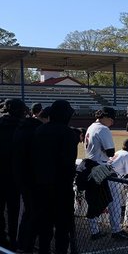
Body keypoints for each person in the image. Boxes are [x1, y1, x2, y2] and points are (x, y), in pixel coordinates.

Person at [33, 100, 80, 254]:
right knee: (62, 228)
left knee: (44, 227)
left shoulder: (39, 130)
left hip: (40, 185)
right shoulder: (68, 134)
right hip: (61, 188)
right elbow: (68, 162)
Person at [82, 107, 128, 241]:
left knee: (94, 199)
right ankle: (116, 231)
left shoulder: (91, 127)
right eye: (111, 119)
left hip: (90, 166)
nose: (112, 122)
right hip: (102, 167)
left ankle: (95, 231)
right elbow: (110, 152)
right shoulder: (103, 129)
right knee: (114, 200)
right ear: (105, 117)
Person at [11, 100, 45, 252]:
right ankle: (25, 244)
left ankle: (19, 243)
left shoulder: (21, 128)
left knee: (25, 212)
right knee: (29, 213)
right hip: (30, 179)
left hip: (19, 176)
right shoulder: (34, 129)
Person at [0, 99, 25, 249]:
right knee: (14, 210)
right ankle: (13, 240)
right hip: (16, 176)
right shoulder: (21, 127)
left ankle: (2, 239)